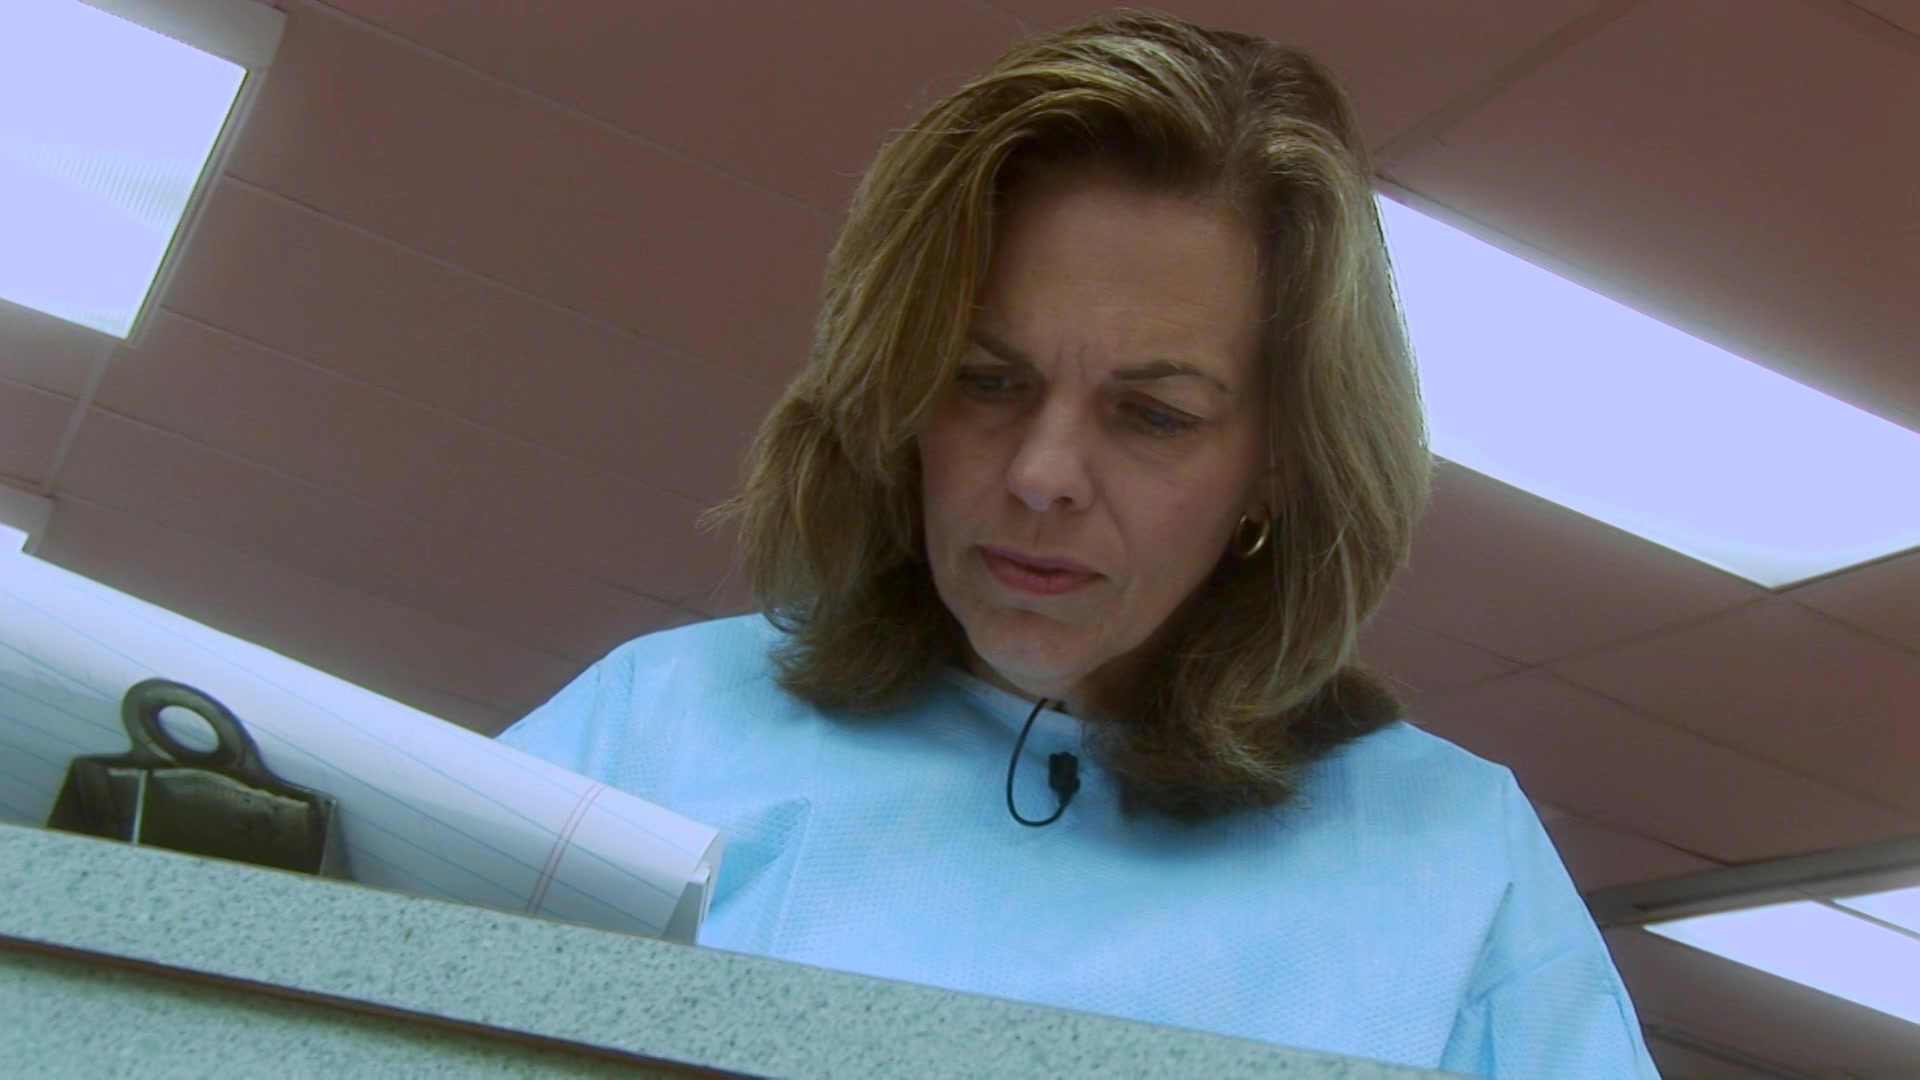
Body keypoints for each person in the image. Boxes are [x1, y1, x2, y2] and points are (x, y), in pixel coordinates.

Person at [499, 11, 1661, 1077]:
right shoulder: (655, 732)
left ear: (1279, 465)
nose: (1042, 473)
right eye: (984, 380)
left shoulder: (1458, 869)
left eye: (1153, 414)